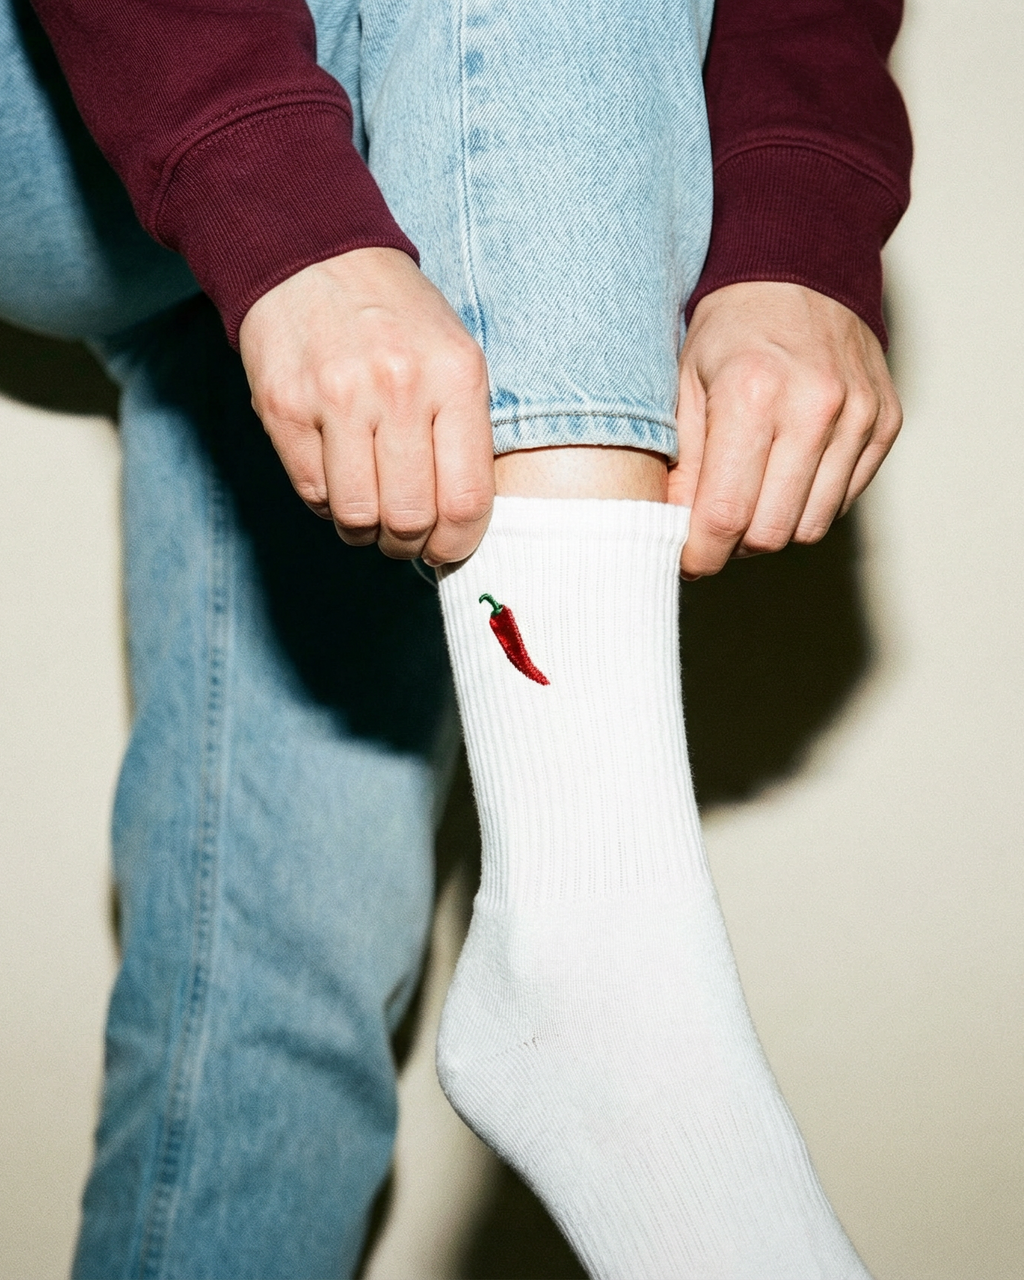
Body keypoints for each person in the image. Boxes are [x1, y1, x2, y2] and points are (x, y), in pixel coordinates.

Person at [2, 0, 910, 1274]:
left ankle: (588, 951)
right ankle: (596, 936)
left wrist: (797, 225)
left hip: (391, 126)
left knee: (281, 991)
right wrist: (269, 187)